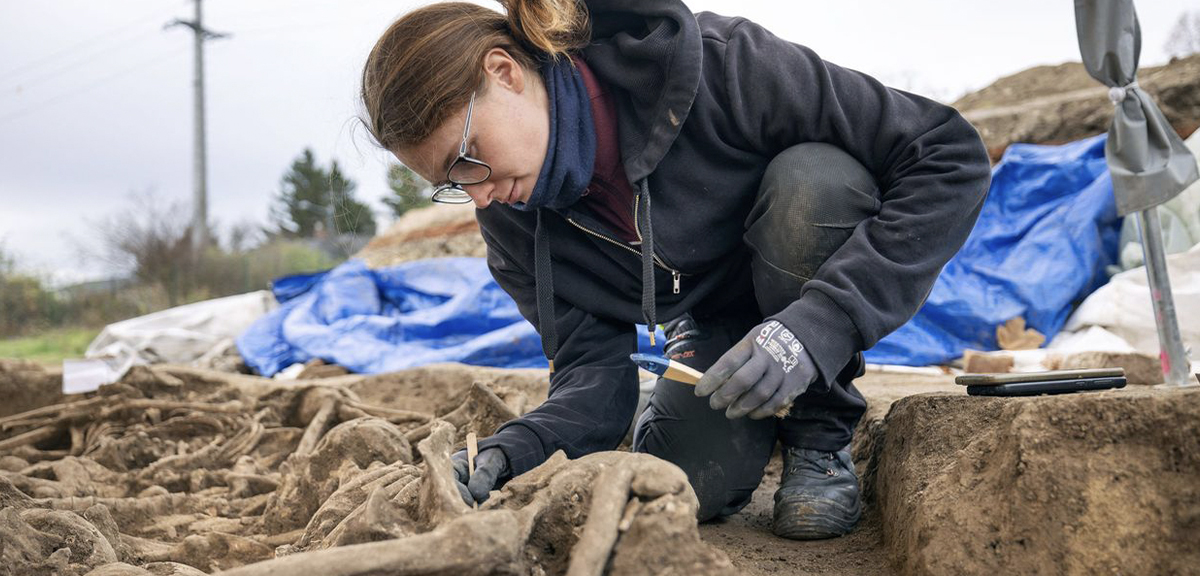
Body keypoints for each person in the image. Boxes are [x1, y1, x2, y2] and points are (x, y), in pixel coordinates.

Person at [360, 0, 991, 540]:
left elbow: (946, 153)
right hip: (715, 324)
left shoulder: (722, 65)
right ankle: (682, 387)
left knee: (815, 182)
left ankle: (818, 439)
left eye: (466, 160)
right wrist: (515, 449)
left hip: (803, 274)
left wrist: (818, 325)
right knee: (690, 488)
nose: (477, 195)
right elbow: (589, 371)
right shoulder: (512, 216)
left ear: (503, 74)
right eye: (450, 184)